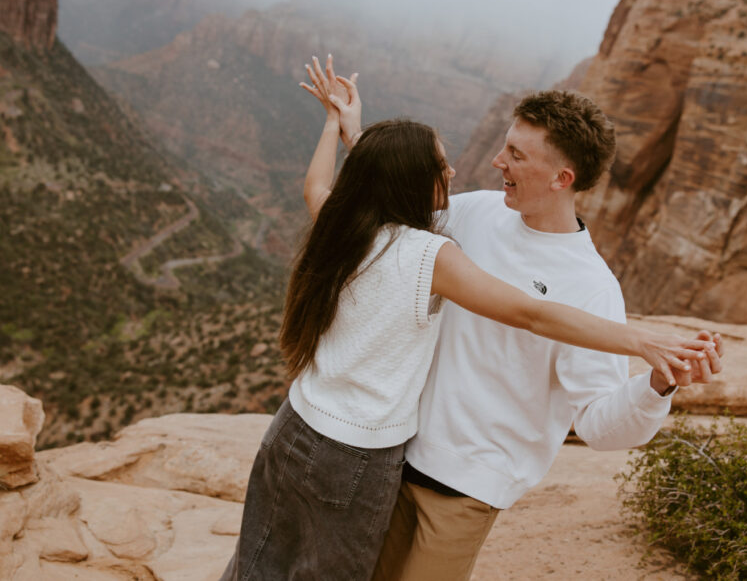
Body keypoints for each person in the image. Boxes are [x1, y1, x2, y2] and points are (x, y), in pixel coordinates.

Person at [218, 57, 717, 581]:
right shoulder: (476, 210)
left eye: (516, 155)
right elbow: (389, 215)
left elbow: (597, 423)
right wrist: (357, 135)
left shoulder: (592, 287)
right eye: (505, 144)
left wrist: (656, 383)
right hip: (384, 459)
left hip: (461, 491)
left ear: (560, 178)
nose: (497, 160)